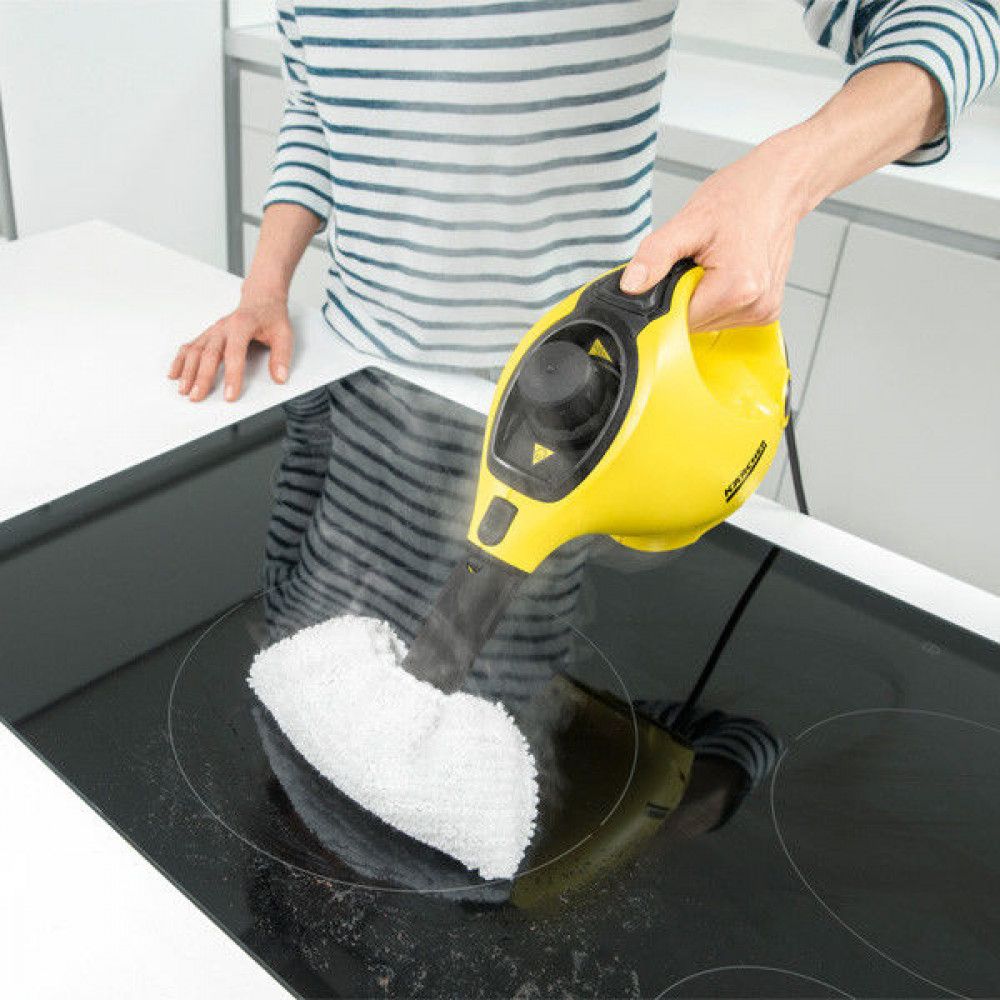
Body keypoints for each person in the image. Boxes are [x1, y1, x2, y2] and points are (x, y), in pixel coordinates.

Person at [168, 0, 998, 790]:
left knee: (459, 761)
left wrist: (781, 181)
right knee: (306, 750)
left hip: (570, 436)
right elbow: (317, 107)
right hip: (354, 382)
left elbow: (957, 17)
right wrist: (264, 289)